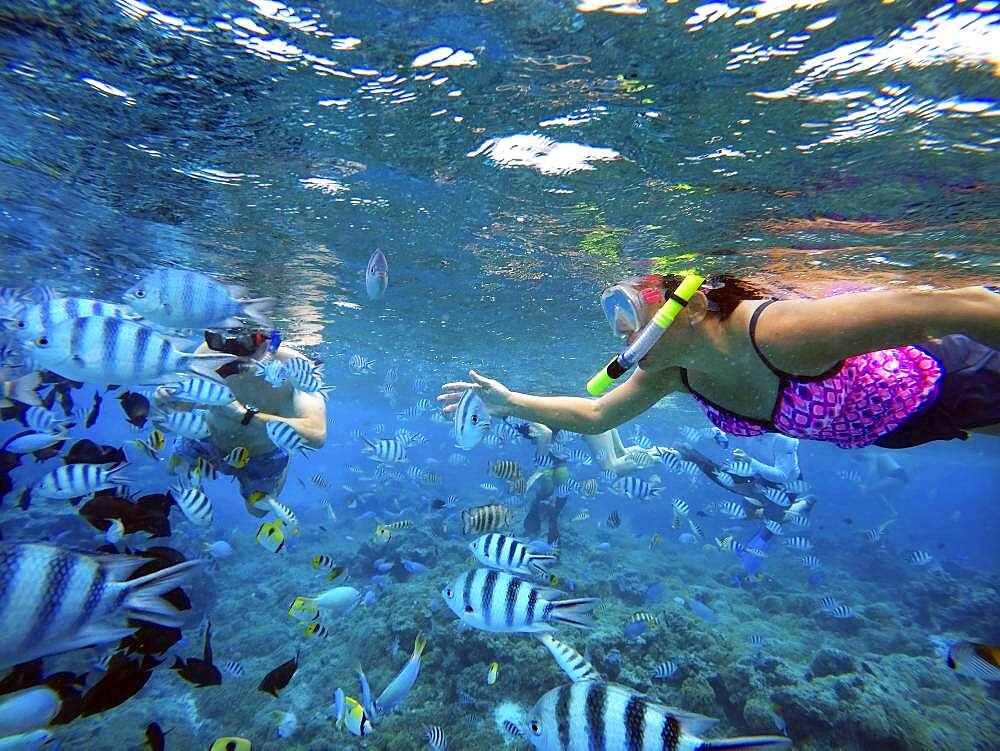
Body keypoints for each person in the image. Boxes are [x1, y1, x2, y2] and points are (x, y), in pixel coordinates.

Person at [438, 276, 1000, 451]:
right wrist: (508, 402)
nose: (620, 327)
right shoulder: (672, 373)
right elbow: (595, 416)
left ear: (695, 302)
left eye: (634, 305)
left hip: (958, 376)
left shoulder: (775, 332)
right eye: (613, 316)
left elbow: (946, 307)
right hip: (904, 428)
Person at [162, 329, 326, 513]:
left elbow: (317, 433)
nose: (233, 353)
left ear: (268, 340)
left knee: (257, 511)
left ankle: (284, 462)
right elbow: (177, 414)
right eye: (222, 341)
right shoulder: (208, 353)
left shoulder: (297, 366)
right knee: (174, 472)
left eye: (245, 343)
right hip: (206, 438)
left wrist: (244, 415)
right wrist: (164, 403)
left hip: (263, 455)